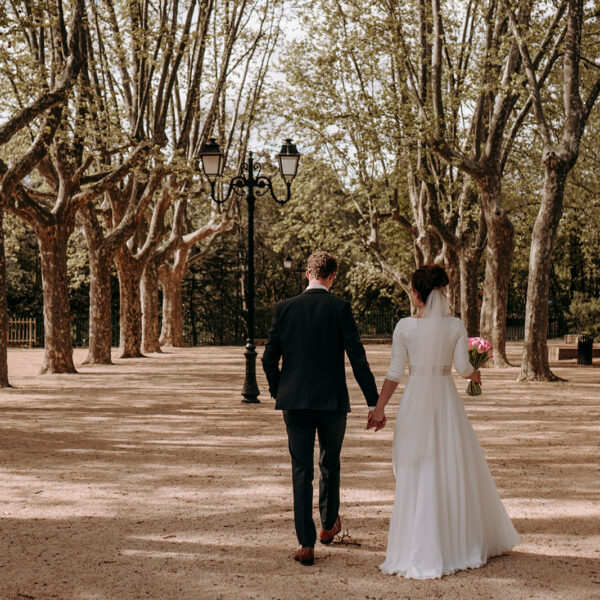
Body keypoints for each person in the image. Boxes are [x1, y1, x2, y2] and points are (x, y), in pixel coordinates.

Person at [368, 264, 520, 579]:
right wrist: (474, 373)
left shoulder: (404, 327)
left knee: (417, 465)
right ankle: (455, 542)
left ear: (415, 293)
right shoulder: (454, 326)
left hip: (415, 399)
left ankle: (415, 543)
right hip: (445, 400)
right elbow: (462, 367)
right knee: (449, 465)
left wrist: (380, 408)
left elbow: (395, 372)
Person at [262, 251, 379, 566]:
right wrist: (373, 402)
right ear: (333, 276)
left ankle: (306, 543)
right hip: (331, 403)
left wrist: (279, 391)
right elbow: (357, 357)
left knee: (301, 470)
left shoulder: (284, 309)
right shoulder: (340, 308)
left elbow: (268, 358)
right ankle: (328, 526)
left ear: (307, 274)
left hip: (295, 403)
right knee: (330, 463)